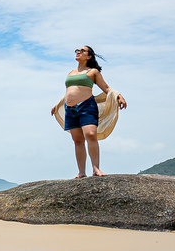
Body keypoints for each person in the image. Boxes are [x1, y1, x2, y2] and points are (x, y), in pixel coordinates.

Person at [51, 47, 127, 178]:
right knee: (77, 140)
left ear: (89, 56)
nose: (78, 52)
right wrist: (58, 105)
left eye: (82, 50)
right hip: (70, 109)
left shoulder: (93, 72)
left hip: (87, 106)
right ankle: (81, 172)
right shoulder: (71, 72)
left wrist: (119, 95)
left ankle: (96, 169)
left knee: (91, 134)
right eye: (76, 50)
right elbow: (70, 91)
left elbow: (106, 88)